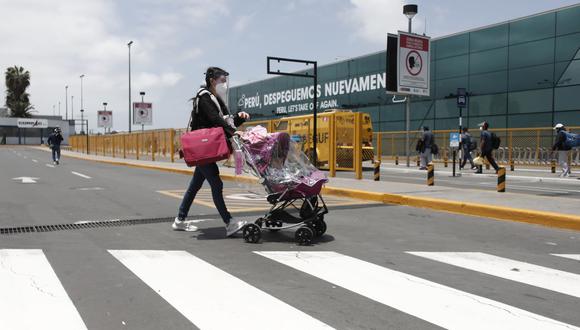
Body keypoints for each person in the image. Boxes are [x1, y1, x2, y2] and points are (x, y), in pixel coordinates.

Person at [173, 67, 251, 236]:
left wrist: (239, 117)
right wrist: (232, 131)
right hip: (203, 149)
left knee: (195, 185)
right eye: (221, 79)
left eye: (225, 79)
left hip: (205, 149)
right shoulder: (205, 97)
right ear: (212, 80)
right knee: (217, 183)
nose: (224, 82)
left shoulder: (215, 98)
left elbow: (225, 121)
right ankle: (229, 222)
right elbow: (215, 120)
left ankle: (179, 220)